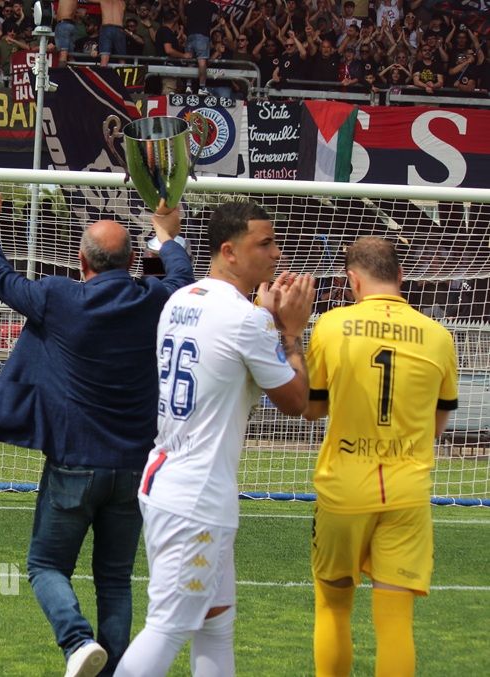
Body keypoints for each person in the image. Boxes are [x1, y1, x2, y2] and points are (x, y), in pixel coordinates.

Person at [0, 179, 196, 677]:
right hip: (133, 469)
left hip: (75, 463)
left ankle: (76, 641)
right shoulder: (154, 300)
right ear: (131, 263)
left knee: (46, 566)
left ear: (81, 261)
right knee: (114, 580)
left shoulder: (58, 297)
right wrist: (167, 235)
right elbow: (182, 276)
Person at [116, 202, 314, 677]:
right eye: (264, 243)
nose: (276, 253)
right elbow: (296, 402)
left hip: (171, 477)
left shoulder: (181, 299)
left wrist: (266, 321)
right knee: (168, 627)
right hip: (197, 493)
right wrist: (291, 333)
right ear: (229, 251)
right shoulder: (246, 320)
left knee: (216, 624)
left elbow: (229, 350)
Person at [303, 237, 458, 677]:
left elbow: (312, 409)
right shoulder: (439, 336)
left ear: (352, 280)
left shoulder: (331, 325)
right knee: (395, 623)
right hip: (408, 489)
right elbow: (438, 423)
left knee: (333, 608)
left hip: (344, 487)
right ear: (401, 276)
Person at [183, 0, 218, 95]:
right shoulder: (212, 5)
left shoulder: (190, 6)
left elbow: (185, 20)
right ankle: (202, 87)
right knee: (202, 63)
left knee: (190, 62)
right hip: (202, 36)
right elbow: (213, 19)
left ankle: (188, 86)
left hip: (190, 36)